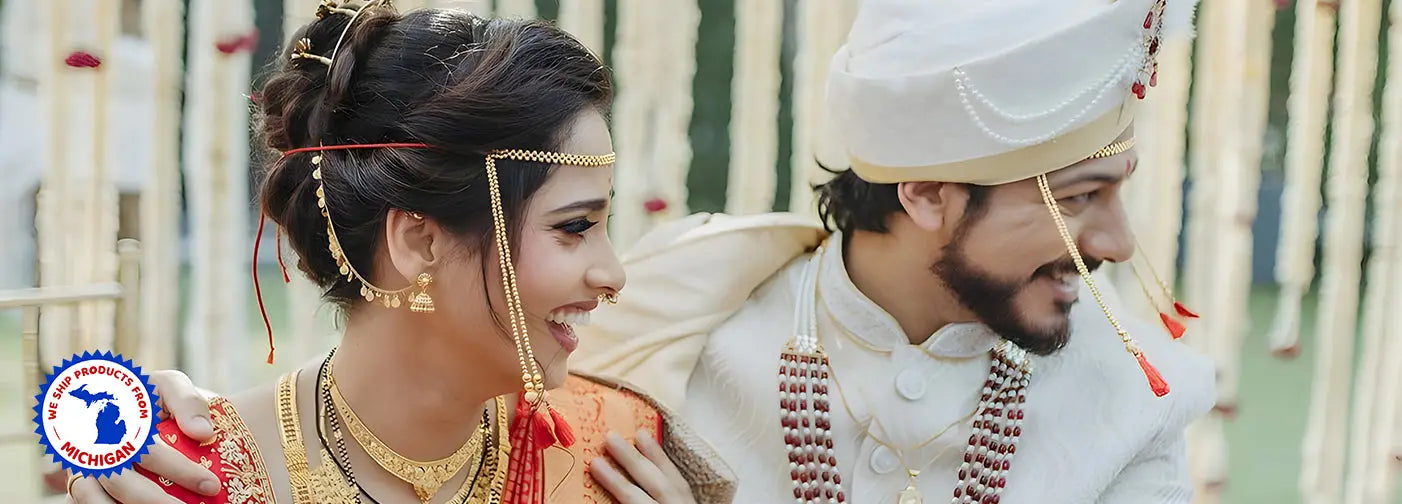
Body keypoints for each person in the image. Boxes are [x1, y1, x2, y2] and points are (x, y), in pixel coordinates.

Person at [84, 0, 1217, 502]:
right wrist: (107, 426)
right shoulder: (685, 332)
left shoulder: (1134, 402)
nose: (1113, 243)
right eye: (1078, 199)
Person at [66, 1, 733, 503]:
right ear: (419, 241)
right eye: (574, 227)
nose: (613, 273)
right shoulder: (182, 478)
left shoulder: (611, 458)